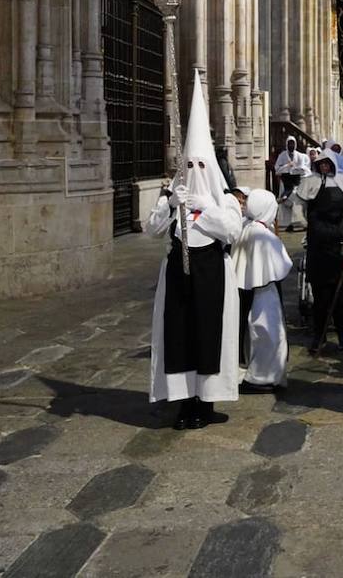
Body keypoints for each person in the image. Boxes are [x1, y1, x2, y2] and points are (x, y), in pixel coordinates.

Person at [144, 70, 244, 429]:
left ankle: (207, 402)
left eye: (200, 165)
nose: (194, 170)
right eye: (188, 165)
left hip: (211, 276)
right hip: (178, 277)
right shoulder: (176, 195)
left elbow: (232, 231)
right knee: (179, 336)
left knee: (209, 337)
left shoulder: (223, 199)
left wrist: (203, 209)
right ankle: (183, 400)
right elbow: (152, 230)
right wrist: (171, 203)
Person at [296, 148, 343, 353]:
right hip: (317, 245)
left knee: (339, 295)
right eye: (320, 163)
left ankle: (342, 334)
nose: (324, 166)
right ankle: (318, 335)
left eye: (327, 163)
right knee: (319, 296)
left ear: (332, 164)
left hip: (337, 244)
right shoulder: (310, 182)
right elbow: (299, 204)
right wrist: (305, 223)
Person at [233, 189, 291, 392]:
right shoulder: (263, 235)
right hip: (265, 292)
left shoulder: (247, 227)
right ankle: (263, 377)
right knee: (270, 335)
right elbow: (283, 265)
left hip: (252, 289)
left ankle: (259, 373)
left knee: (257, 334)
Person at [273, 136, 310, 231]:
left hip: (296, 181)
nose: (291, 145)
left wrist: (296, 169)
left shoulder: (299, 155)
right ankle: (285, 223)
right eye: (289, 144)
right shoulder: (282, 155)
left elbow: (303, 168)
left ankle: (297, 222)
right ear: (287, 144)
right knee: (285, 203)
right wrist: (287, 166)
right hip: (285, 180)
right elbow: (277, 168)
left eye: (292, 144)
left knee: (295, 200)